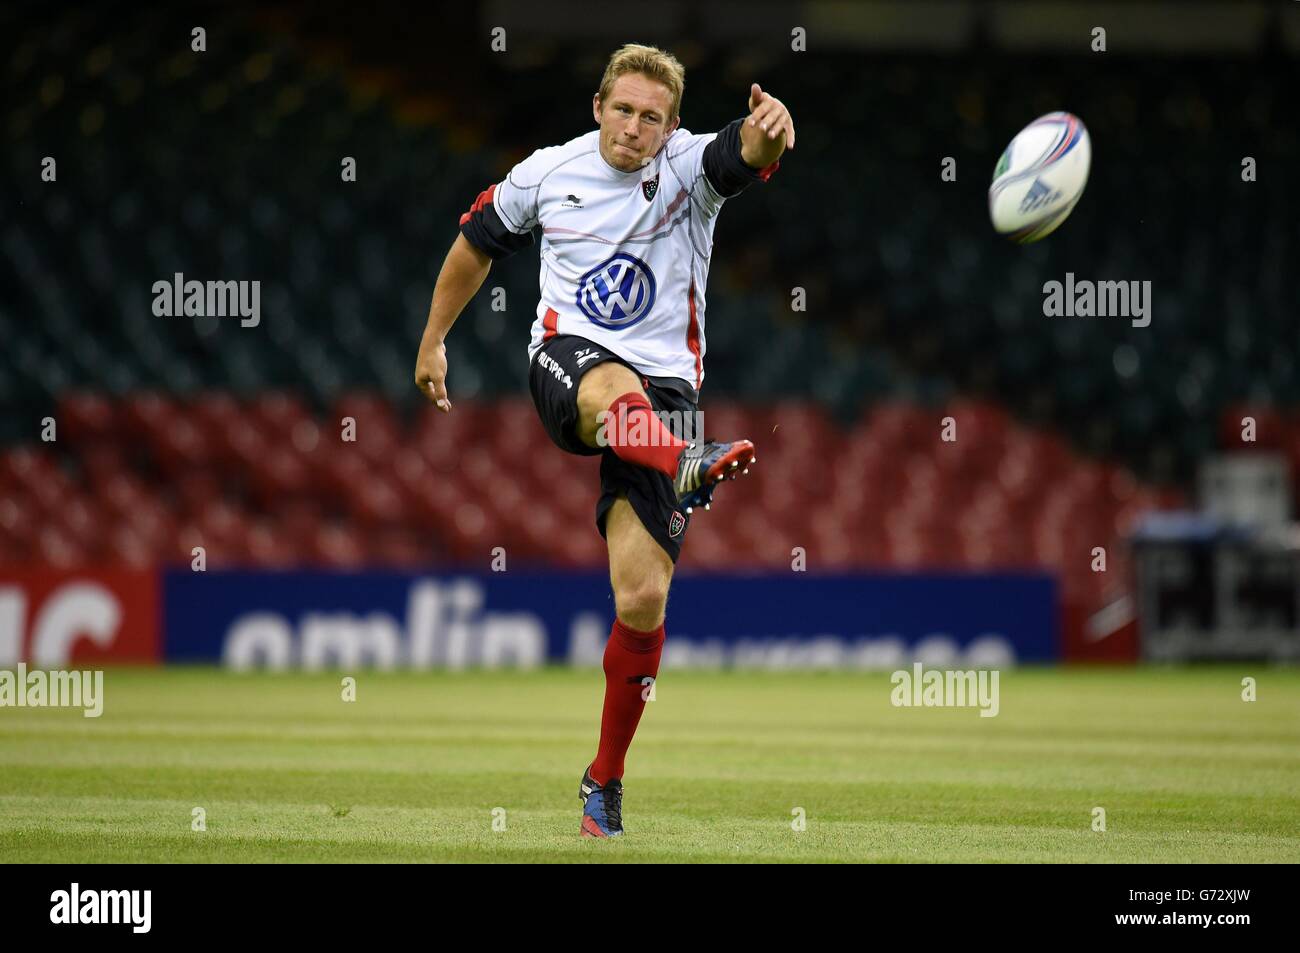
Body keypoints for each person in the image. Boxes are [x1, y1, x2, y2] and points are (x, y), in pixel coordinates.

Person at [415, 43, 794, 837]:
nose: (633, 127)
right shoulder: (546, 174)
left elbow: (745, 151)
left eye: (651, 117)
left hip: (670, 394)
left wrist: (771, 131)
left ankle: (603, 782)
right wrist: (434, 339)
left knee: (644, 596)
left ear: (671, 126)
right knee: (613, 385)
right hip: (569, 366)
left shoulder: (689, 170)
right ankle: (684, 459)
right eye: (621, 109)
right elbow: (475, 243)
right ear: (597, 107)